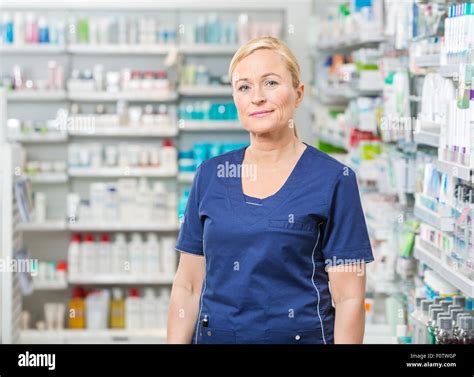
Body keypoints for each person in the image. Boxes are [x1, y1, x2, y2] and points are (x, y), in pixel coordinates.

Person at [167, 36, 374, 344]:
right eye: (244, 87)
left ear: (298, 93)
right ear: (235, 98)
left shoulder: (335, 179)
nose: (257, 97)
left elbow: (349, 299)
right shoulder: (209, 176)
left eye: (271, 83)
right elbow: (188, 286)